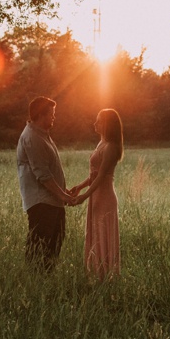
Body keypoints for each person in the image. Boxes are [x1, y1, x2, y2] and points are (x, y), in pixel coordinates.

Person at [16, 96, 74, 272]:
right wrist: (63, 195)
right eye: (51, 114)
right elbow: (42, 175)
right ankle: (35, 283)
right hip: (42, 202)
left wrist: (63, 191)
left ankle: (46, 282)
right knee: (40, 246)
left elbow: (50, 170)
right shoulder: (32, 137)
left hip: (52, 200)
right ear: (41, 115)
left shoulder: (42, 135)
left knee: (54, 244)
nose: (54, 117)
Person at [70, 108, 123, 280]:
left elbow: (101, 176)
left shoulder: (111, 147)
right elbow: (93, 174)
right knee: (95, 232)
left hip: (105, 197)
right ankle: (95, 273)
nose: (95, 123)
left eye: (99, 120)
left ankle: (105, 275)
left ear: (107, 124)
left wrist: (84, 196)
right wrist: (79, 187)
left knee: (103, 233)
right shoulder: (101, 143)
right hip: (96, 195)